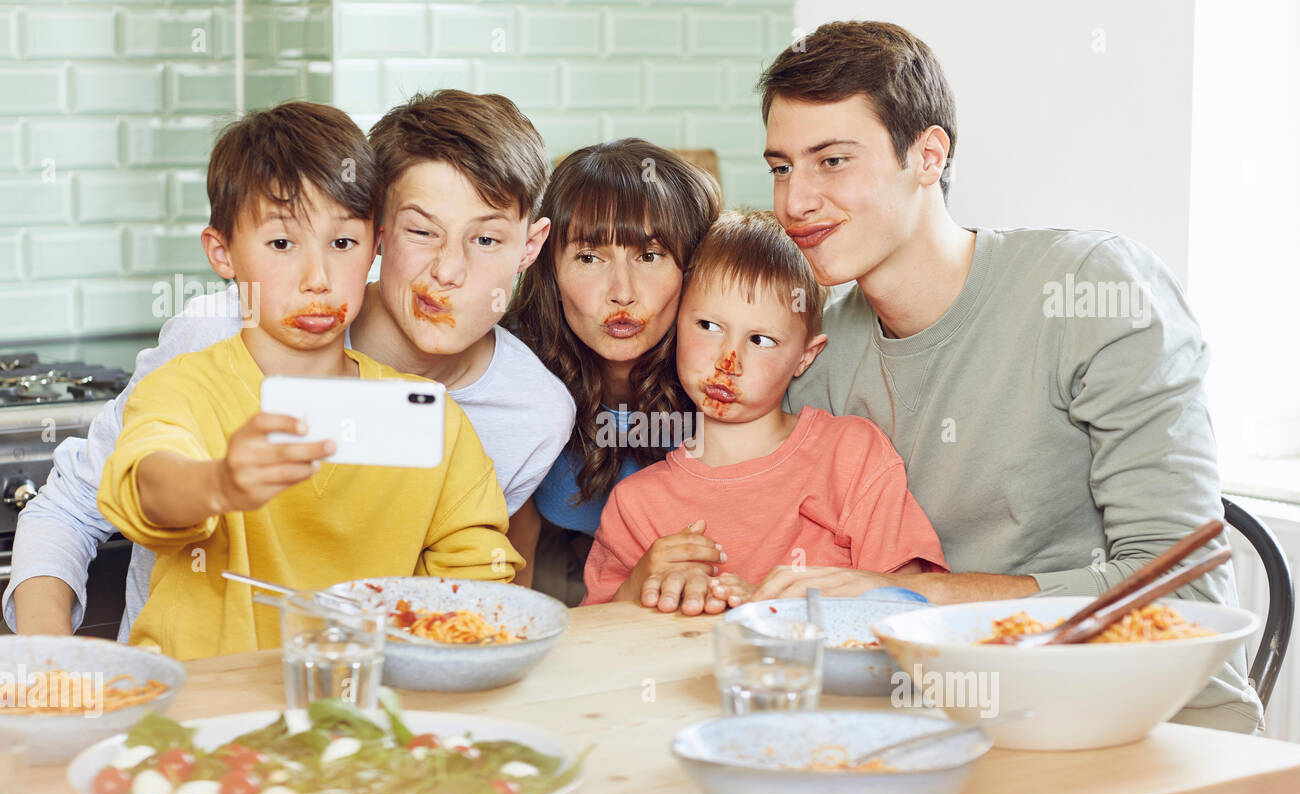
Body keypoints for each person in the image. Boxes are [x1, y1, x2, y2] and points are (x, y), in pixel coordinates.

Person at [755, 20, 1261, 734]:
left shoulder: (1091, 291)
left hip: (1154, 731)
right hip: (944, 727)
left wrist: (910, 601)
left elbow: (1186, 592)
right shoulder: (818, 353)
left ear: (929, 155)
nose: (795, 203)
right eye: (781, 167)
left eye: (832, 161)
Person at [4, 90, 572, 639]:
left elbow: (473, 579)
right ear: (386, 235)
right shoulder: (209, 348)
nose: (449, 271)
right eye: (421, 231)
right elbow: (106, 496)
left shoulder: (510, 417)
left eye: (488, 239)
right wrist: (47, 662)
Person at [581, 210, 947, 612]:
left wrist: (773, 609)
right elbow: (595, 641)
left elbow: (911, 600)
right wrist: (642, 583)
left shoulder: (850, 456)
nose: (728, 360)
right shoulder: (637, 504)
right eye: (708, 326)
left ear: (805, 358)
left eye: (761, 339)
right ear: (675, 327)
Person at [508, 140, 722, 603]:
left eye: (650, 256)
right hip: (562, 594)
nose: (622, 293)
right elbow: (512, 583)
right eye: (589, 258)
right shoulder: (516, 379)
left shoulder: (731, 378)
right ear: (550, 271)